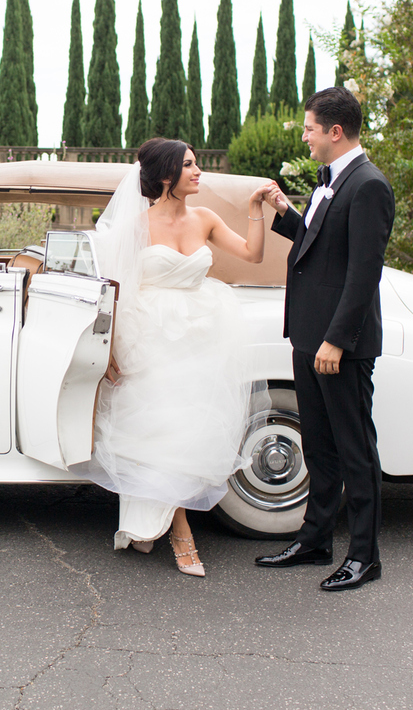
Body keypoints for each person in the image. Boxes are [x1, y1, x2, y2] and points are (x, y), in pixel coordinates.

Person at [82, 138, 272, 577]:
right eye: (189, 165)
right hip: (149, 335)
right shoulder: (135, 226)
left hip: (202, 332)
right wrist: (107, 349)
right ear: (167, 175)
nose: (198, 171)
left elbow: (253, 254)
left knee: (190, 428)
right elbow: (113, 290)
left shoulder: (205, 218)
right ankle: (181, 534)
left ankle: (151, 522)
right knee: (163, 429)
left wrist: (256, 209)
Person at [254, 86, 396, 592]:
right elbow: (320, 244)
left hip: (341, 345)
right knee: (318, 446)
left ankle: (364, 557)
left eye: (310, 128)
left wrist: (337, 340)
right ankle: (314, 541)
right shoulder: (330, 182)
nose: (305, 136)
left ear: (336, 132)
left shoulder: (369, 185)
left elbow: (363, 272)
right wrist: (283, 209)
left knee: (355, 451)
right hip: (308, 337)